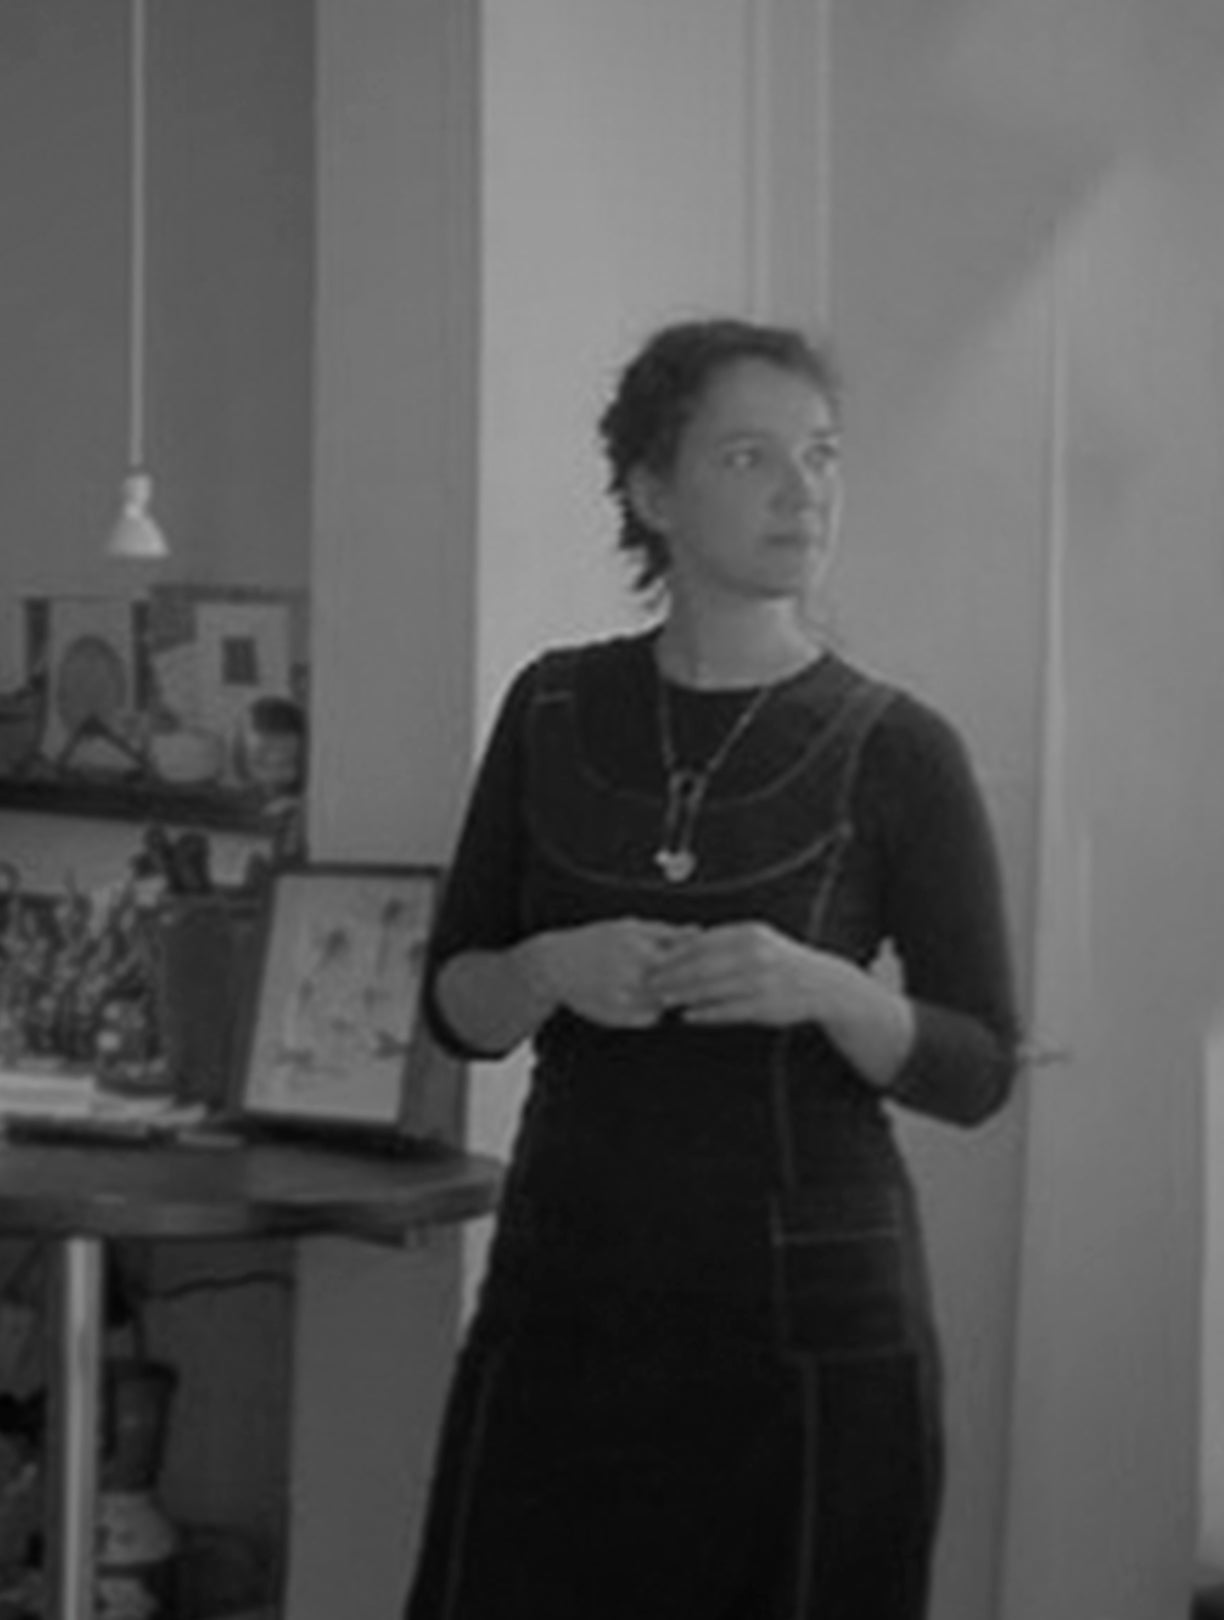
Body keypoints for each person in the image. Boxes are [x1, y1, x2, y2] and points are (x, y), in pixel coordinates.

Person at [405, 317, 1025, 1620]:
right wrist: (550, 966)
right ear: (652, 492)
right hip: (569, 1295)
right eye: (751, 456)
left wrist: (827, 988)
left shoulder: (899, 746)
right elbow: (457, 1004)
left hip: (812, 1322)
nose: (803, 490)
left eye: (822, 454)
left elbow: (978, 1068)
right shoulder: (552, 707)